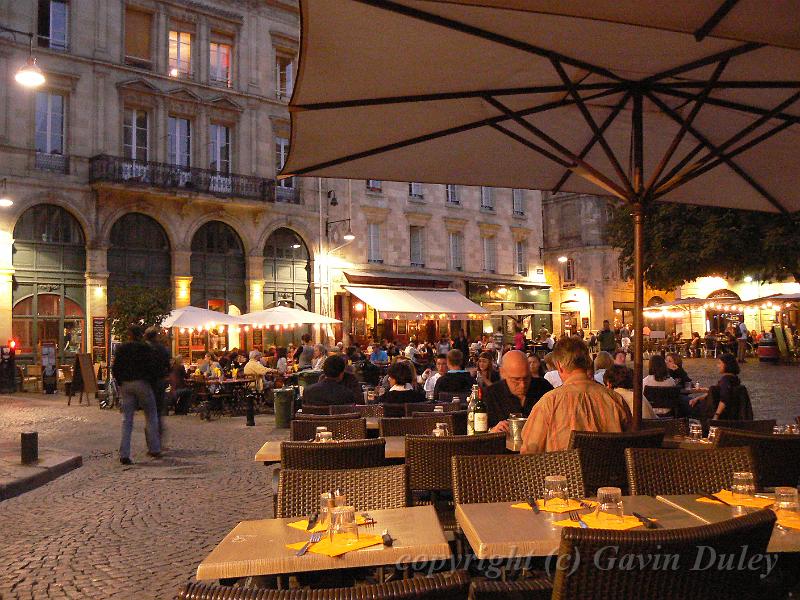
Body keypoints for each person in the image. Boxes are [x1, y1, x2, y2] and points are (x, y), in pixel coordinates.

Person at [519, 337, 631, 454]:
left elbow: (529, 451)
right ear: (588, 362)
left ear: (559, 365)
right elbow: (630, 442)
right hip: (612, 469)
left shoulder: (549, 402)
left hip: (563, 470)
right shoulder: (615, 399)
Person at [113, 325, 161, 465]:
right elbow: (152, 368)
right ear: (140, 335)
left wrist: (121, 382)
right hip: (142, 383)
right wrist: (151, 383)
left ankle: (124, 454)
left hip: (126, 384)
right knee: (151, 415)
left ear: (129, 335)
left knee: (127, 420)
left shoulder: (122, 349)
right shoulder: (145, 348)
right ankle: (154, 448)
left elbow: (115, 368)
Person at [485, 350, 553, 432]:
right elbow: (478, 433)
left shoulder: (543, 388)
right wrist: (493, 431)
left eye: (526, 378)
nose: (522, 385)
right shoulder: (491, 394)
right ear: (503, 373)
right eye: (516, 380)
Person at [690, 353, 744, 420]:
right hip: (713, 407)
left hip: (710, 410)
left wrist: (716, 415)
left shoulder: (726, 380)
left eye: (719, 363)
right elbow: (718, 391)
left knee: (683, 402)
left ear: (727, 365)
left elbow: (724, 399)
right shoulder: (734, 378)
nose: (718, 366)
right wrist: (698, 398)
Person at [144, 327, 171, 433]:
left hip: (147, 382)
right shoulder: (162, 349)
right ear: (156, 336)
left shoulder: (144, 348)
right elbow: (168, 365)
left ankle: (151, 437)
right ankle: (157, 435)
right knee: (158, 409)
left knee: (149, 410)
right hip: (159, 381)